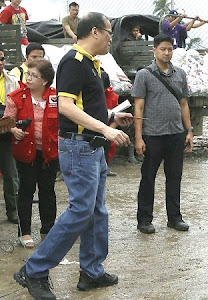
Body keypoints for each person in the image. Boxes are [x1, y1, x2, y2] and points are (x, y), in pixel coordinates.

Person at [13, 12, 132, 300]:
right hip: (78, 148)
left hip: (93, 146)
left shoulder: (92, 65)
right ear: (94, 31)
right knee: (81, 210)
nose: (111, 38)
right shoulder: (73, 62)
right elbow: (65, 107)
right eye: (109, 32)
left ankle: (91, 270)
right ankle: (35, 269)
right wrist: (105, 127)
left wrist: (111, 119)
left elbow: (86, 109)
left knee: (96, 211)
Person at [132, 33, 194, 234]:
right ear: (154, 50)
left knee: (174, 177)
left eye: (170, 49)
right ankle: (144, 220)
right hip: (152, 135)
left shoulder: (180, 74)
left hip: (176, 134)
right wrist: (139, 137)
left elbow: (184, 104)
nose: (167, 53)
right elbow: (138, 108)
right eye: (163, 49)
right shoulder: (144, 75)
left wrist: (189, 131)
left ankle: (175, 218)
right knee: (148, 177)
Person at [4, 59, 58, 248]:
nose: (28, 78)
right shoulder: (16, 97)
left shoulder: (56, 97)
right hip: (26, 152)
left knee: (48, 191)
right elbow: (6, 121)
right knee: (26, 191)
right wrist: (13, 130)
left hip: (50, 153)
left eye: (34, 76)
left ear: (45, 81)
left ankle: (48, 229)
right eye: (28, 74)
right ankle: (24, 232)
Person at [0, 48, 19, 224]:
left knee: (10, 174)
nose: (0, 62)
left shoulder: (12, 81)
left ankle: (13, 211)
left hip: (6, 134)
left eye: (2, 58)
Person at [102, 70, 119, 176]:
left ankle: (105, 167)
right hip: (90, 129)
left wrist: (108, 130)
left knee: (107, 147)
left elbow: (116, 117)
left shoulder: (113, 96)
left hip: (108, 128)